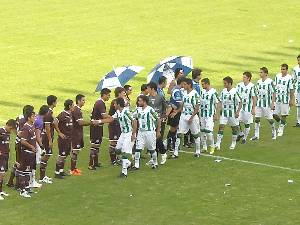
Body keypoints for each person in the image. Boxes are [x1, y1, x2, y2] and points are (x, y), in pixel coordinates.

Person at [40, 95, 65, 184]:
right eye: (56, 101)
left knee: (47, 155)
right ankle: (42, 177)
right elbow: (47, 127)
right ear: (53, 102)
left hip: (47, 137)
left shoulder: (50, 112)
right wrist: (50, 140)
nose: (57, 103)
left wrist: (59, 133)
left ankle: (43, 176)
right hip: (46, 138)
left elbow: (53, 124)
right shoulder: (48, 113)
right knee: (46, 156)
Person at [7, 105, 34, 188]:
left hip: (18, 142)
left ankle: (11, 182)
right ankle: (17, 184)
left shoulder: (19, 117)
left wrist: (17, 136)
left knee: (19, 162)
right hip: (21, 144)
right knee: (20, 163)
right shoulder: (24, 121)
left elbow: (16, 130)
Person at [132, 95, 161, 169]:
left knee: (151, 149)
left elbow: (158, 119)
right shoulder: (137, 109)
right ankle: (136, 165)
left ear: (144, 101)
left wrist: (158, 131)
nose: (138, 102)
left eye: (140, 101)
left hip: (150, 132)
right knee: (138, 148)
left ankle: (155, 163)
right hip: (141, 132)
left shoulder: (150, 109)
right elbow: (133, 117)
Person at [176, 78, 201, 157]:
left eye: (185, 84)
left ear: (189, 85)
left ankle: (198, 151)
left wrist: (191, 117)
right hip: (183, 115)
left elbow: (197, 107)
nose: (183, 86)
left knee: (195, 134)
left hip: (192, 116)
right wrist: (177, 111)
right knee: (179, 133)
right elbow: (182, 104)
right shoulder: (183, 92)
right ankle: (176, 152)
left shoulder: (195, 94)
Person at [110, 97, 136, 177]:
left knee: (124, 152)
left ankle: (124, 173)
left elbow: (134, 121)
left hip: (128, 134)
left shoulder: (126, 112)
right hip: (123, 134)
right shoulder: (118, 112)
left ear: (118, 104)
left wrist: (133, 134)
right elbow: (111, 119)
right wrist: (99, 121)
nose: (114, 105)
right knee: (117, 150)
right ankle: (128, 163)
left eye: (115, 103)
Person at [215, 76, 242, 150]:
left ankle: (233, 143)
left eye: (225, 83)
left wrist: (237, 112)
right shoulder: (223, 91)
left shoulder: (235, 91)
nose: (224, 84)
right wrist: (217, 112)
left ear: (229, 83)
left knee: (234, 128)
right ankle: (218, 144)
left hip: (232, 113)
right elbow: (220, 101)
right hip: (224, 113)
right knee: (221, 126)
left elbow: (240, 102)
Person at [250, 67, 277, 141]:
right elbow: (256, 92)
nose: (260, 73)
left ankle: (274, 132)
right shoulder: (258, 82)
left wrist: (272, 103)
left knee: (270, 120)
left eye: (261, 72)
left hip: (267, 104)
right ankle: (256, 135)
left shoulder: (270, 82)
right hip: (259, 103)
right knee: (257, 119)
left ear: (265, 73)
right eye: (259, 72)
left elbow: (274, 92)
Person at [89, 88, 111, 170]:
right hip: (96, 127)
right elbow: (104, 115)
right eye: (108, 95)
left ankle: (96, 162)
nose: (109, 97)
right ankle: (91, 164)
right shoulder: (100, 103)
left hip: (98, 126)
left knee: (97, 145)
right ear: (104, 94)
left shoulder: (100, 102)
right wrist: (112, 117)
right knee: (94, 145)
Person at [70, 94, 91, 175]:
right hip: (75, 134)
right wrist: (91, 122)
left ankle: (74, 168)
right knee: (75, 151)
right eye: (83, 100)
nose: (84, 102)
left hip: (78, 133)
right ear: (78, 101)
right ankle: (72, 170)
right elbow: (80, 122)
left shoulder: (77, 110)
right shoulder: (77, 110)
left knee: (76, 151)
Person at [147, 82, 168, 164]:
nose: (147, 90)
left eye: (148, 88)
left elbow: (167, 107)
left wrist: (165, 116)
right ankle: (154, 158)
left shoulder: (160, 96)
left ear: (152, 89)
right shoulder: (147, 98)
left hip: (159, 121)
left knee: (158, 138)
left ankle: (163, 153)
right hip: (151, 122)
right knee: (152, 140)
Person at [19, 111, 37, 198]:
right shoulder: (25, 127)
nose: (35, 118)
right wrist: (31, 147)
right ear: (29, 118)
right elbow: (22, 141)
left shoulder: (32, 126)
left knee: (28, 171)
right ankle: (22, 191)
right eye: (33, 116)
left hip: (31, 153)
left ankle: (27, 188)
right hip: (26, 153)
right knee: (23, 171)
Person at [55, 99, 74, 179]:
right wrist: (59, 132)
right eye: (73, 105)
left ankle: (61, 171)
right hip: (63, 139)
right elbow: (55, 122)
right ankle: (57, 173)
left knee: (65, 155)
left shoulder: (69, 114)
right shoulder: (62, 115)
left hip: (68, 139)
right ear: (69, 106)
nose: (74, 107)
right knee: (61, 155)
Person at [273, 64, 294, 136]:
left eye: (284, 69)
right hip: (277, 98)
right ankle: (282, 123)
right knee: (273, 114)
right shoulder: (277, 76)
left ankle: (281, 129)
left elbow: (291, 89)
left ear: (287, 70)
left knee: (283, 115)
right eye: (281, 69)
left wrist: (291, 100)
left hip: (285, 99)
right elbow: (274, 87)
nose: (282, 71)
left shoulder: (289, 78)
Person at [166, 77, 186, 154]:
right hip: (174, 112)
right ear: (181, 83)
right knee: (173, 129)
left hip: (175, 111)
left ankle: (172, 145)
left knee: (176, 128)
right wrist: (177, 111)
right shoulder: (177, 91)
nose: (185, 85)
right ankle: (169, 145)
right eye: (184, 83)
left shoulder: (177, 89)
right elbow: (180, 103)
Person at [199, 78, 219, 155]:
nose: (202, 86)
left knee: (208, 132)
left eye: (203, 84)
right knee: (202, 131)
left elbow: (218, 103)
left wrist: (216, 114)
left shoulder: (213, 92)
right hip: (202, 114)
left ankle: (212, 146)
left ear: (207, 84)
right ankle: (204, 147)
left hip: (209, 115)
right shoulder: (202, 91)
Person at [236, 72, 256, 144]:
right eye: (243, 77)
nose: (243, 78)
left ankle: (244, 138)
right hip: (239, 107)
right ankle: (241, 133)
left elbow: (254, 98)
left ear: (248, 78)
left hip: (248, 107)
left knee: (247, 123)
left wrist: (253, 108)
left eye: (244, 77)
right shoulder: (239, 85)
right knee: (235, 121)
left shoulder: (252, 86)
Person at [108, 87, 127, 165]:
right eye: (123, 93)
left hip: (118, 126)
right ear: (119, 93)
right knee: (113, 143)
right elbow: (114, 115)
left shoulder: (122, 101)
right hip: (114, 126)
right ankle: (113, 160)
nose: (124, 94)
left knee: (119, 143)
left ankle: (117, 158)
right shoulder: (115, 102)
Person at [31, 105, 49, 188]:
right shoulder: (40, 122)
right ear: (46, 113)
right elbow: (38, 136)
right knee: (34, 163)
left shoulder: (37, 117)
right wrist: (42, 147)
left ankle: (30, 181)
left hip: (31, 141)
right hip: (35, 143)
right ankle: (32, 181)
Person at [0, 119, 16, 200]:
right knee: (1, 174)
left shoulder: (7, 133)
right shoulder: (1, 131)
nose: (11, 130)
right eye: (10, 128)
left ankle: (0, 191)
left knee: (3, 174)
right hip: (1, 156)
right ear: (7, 125)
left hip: (5, 156)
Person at [292, 55, 300, 127]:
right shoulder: (295, 69)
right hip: (298, 90)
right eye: (298, 60)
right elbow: (293, 80)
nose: (299, 61)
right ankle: (298, 122)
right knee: (298, 106)